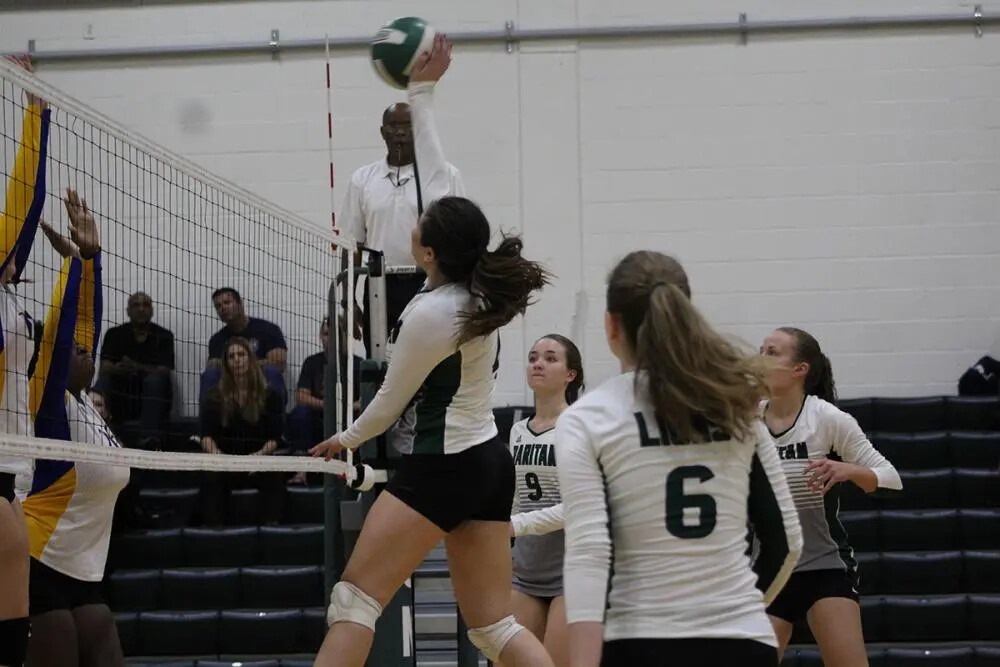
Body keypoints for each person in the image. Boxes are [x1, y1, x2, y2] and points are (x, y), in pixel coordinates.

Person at [309, 36, 555, 667]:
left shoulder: (428, 313)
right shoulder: (473, 290)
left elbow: (390, 405)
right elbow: (441, 176)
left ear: (425, 252)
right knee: (493, 626)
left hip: (442, 466)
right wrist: (422, 92)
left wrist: (345, 437)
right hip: (487, 461)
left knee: (356, 600)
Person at [556, 250, 803, 667]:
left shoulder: (587, 417)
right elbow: (787, 542)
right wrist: (737, 612)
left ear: (611, 325)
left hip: (640, 641)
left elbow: (590, 551)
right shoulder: (737, 405)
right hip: (743, 643)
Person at [24, 191, 129, 667]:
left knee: (103, 640)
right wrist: (72, 270)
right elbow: (64, 331)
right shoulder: (48, 404)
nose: (87, 352)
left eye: (91, 351)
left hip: (84, 564)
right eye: (76, 351)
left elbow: (87, 321)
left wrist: (90, 256)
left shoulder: (85, 404)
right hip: (39, 555)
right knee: (61, 641)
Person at [759, 327, 902, 666]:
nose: (760, 359)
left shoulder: (827, 419)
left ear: (800, 370)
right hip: (769, 569)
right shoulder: (744, 419)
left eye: (772, 352)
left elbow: (891, 480)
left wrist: (848, 471)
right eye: (760, 349)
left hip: (824, 566)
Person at [340, 79, 464, 353]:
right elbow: (353, 244)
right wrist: (348, 300)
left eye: (407, 126)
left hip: (432, 280)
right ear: (383, 133)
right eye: (394, 127)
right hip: (380, 284)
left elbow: (465, 235)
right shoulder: (362, 179)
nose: (400, 133)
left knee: (433, 358)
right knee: (383, 362)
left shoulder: (444, 175)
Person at [0, 53, 49, 667]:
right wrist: (33, 114)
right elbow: (21, 211)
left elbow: (25, 216)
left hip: (11, 465)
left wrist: (39, 111)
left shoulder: (7, 296)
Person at [509, 334, 584, 667]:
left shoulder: (579, 428)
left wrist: (514, 526)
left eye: (551, 358)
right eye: (533, 357)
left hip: (571, 571)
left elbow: (576, 507)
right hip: (526, 569)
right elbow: (514, 498)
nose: (538, 363)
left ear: (571, 375)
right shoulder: (517, 430)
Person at [200, 337, 286, 526]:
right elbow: (206, 436)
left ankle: (272, 526)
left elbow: (275, 438)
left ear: (250, 358)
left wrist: (257, 457)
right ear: (226, 363)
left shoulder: (270, 395)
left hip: (257, 460)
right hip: (226, 462)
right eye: (231, 356)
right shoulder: (214, 397)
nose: (237, 360)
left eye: (241, 354)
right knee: (209, 477)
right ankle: (215, 530)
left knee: (275, 474)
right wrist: (220, 458)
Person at [98, 291, 174, 447]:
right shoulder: (114, 334)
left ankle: (149, 441)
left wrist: (135, 367)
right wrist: (121, 369)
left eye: (145, 305)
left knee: (154, 381)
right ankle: (99, 435)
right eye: (136, 305)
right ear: (128, 311)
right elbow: (105, 367)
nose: (141, 309)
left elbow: (164, 371)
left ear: (152, 310)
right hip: (122, 395)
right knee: (103, 381)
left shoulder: (164, 335)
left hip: (153, 397)